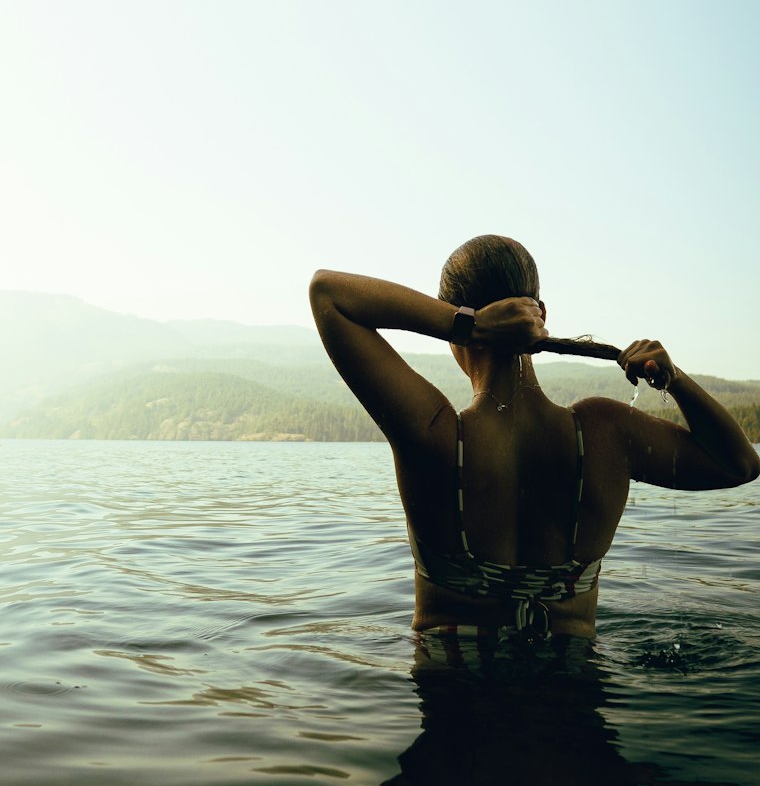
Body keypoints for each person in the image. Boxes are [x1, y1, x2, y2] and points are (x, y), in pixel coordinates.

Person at [309, 235, 758, 642]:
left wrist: (464, 323)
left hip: (455, 706)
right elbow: (739, 464)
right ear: (540, 315)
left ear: (451, 329)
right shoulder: (605, 433)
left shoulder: (432, 433)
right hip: (573, 705)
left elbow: (327, 293)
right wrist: (674, 380)